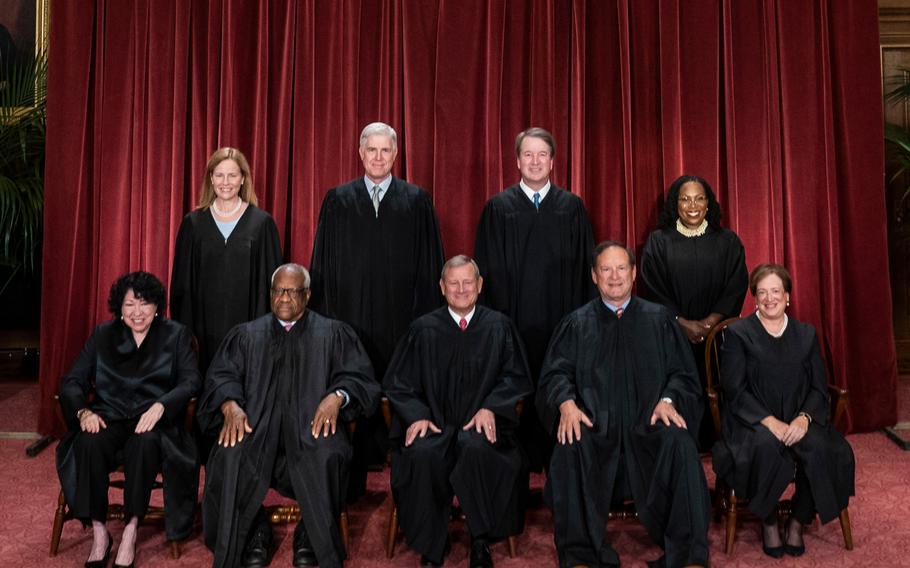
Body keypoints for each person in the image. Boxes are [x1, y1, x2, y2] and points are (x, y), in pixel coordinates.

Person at [537, 241, 710, 568]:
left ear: (633, 273)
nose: (614, 277)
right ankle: (580, 555)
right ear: (594, 275)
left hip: (649, 426)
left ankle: (688, 556)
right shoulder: (577, 323)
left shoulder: (659, 320)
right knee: (569, 444)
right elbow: (554, 373)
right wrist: (566, 404)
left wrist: (668, 400)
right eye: (606, 269)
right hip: (595, 428)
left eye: (621, 269)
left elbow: (682, 374)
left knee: (680, 443)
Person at [199, 263, 380, 568]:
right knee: (229, 453)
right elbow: (221, 376)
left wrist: (337, 397)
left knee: (329, 453)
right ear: (270, 293)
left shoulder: (333, 333)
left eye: (292, 291)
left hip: (311, 430)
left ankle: (311, 533)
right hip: (255, 429)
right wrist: (230, 405)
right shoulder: (246, 335)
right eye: (278, 290)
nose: (284, 297)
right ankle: (253, 531)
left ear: (307, 295)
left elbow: (360, 379)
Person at [309, 121, 445, 496]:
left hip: (403, 316)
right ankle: (357, 458)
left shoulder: (416, 200)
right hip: (350, 316)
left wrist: (425, 320)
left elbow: (430, 264)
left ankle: (400, 450)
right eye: (372, 150)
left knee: (399, 379)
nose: (379, 157)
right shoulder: (338, 199)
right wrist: (328, 320)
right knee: (354, 377)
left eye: (386, 150)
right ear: (361, 153)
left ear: (396, 155)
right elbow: (322, 264)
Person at [384, 255, 533, 567]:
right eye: (454, 283)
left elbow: (516, 377)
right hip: (435, 426)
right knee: (423, 455)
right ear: (442, 287)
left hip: (481, 427)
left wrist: (492, 407)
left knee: (477, 448)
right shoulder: (422, 329)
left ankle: (480, 540)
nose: (461, 289)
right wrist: (418, 415)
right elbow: (398, 383)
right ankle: (430, 544)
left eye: (468, 282)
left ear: (479, 285)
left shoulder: (499, 327)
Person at [56, 271, 200, 568]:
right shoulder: (102, 335)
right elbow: (72, 381)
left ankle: (132, 529)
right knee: (89, 442)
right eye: (130, 304)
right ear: (119, 309)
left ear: (157, 307)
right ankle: (100, 532)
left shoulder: (176, 335)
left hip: (153, 421)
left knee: (145, 443)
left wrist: (162, 405)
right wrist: (84, 412)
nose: (137, 312)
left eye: (145, 304)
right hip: (108, 416)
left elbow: (191, 381)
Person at [711, 264, 855, 558]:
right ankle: (767, 520)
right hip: (752, 421)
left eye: (775, 291)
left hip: (800, 417)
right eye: (762, 293)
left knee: (823, 449)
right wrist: (769, 422)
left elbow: (818, 387)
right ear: (754, 298)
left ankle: (798, 519)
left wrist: (804, 418)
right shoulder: (739, 334)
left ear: (787, 296)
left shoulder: (805, 334)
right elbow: (734, 390)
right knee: (763, 447)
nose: (769, 298)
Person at [473, 127, 595, 472]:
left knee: (559, 379)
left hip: (562, 321)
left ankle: (561, 457)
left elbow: (588, 270)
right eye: (528, 154)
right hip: (513, 322)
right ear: (517, 161)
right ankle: (517, 462)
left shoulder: (571, 208)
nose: (535, 161)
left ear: (553, 162)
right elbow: (486, 272)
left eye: (542, 154)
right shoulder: (498, 209)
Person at [639, 174, 747, 449]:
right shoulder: (658, 242)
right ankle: (679, 441)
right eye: (685, 199)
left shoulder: (727, 241)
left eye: (699, 198)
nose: (692, 205)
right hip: (672, 334)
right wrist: (681, 322)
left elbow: (736, 285)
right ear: (675, 205)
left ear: (708, 204)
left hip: (718, 338)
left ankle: (718, 441)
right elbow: (652, 288)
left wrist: (710, 323)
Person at [170, 146, 283, 374]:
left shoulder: (262, 224)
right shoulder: (193, 224)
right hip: (203, 331)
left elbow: (273, 287)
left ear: (243, 179)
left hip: (249, 331)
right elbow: (181, 287)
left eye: (232, 175)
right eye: (219, 175)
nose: (225, 182)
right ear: (211, 178)